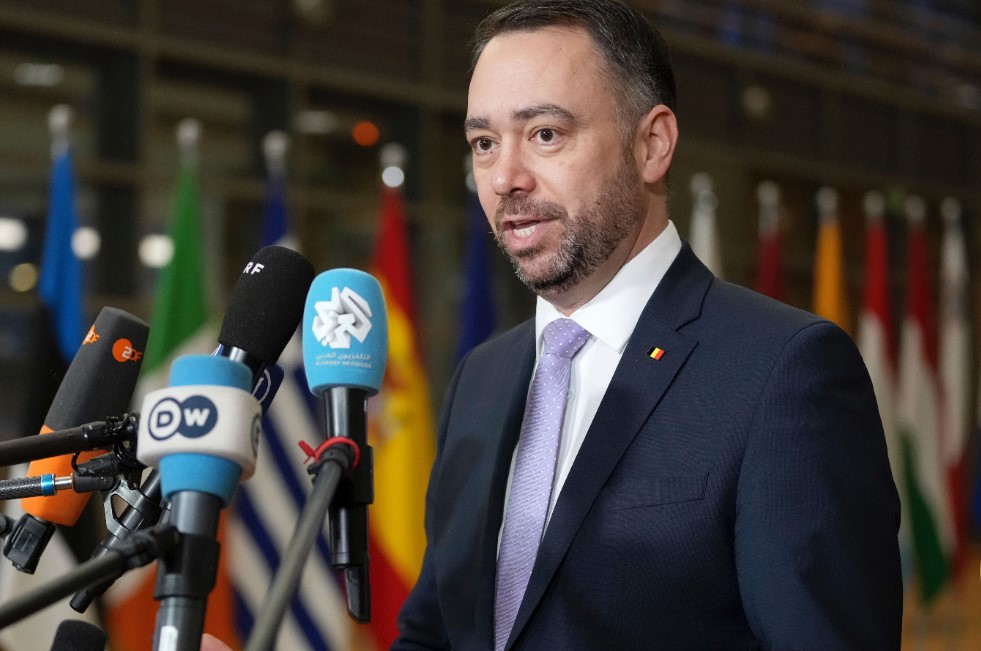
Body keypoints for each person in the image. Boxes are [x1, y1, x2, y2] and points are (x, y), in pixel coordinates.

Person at [393, 1, 902, 650]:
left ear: (652, 144)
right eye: (484, 143)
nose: (504, 178)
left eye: (545, 133)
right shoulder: (480, 378)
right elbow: (434, 633)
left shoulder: (784, 372)